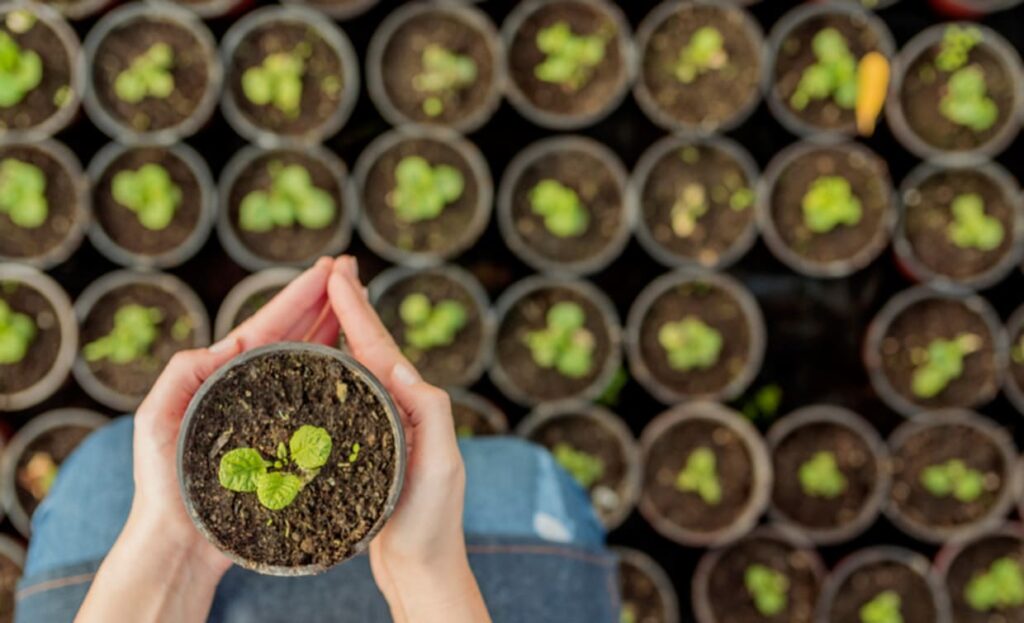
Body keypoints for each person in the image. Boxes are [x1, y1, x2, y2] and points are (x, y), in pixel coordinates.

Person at [15, 257, 621, 623]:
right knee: (539, 482)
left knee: (97, 469)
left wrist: (168, 552)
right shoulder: (274, 473)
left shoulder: (271, 468)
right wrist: (426, 576)